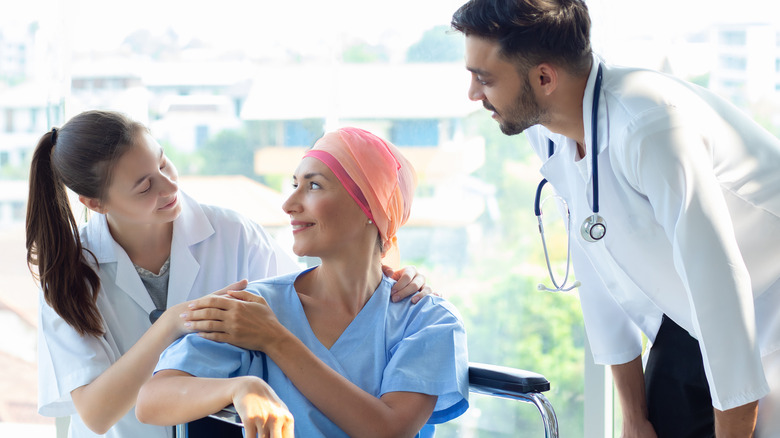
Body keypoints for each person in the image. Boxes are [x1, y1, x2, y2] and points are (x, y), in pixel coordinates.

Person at [450, 0, 780, 437]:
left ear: (544, 77)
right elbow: (597, 262)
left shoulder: (650, 127)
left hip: (762, 298)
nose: (473, 94)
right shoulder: (546, 129)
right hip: (690, 315)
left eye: (484, 78)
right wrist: (632, 416)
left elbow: (720, 285)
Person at [26, 110, 430, 438]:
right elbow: (96, 415)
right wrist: (171, 323)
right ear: (95, 203)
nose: (169, 187)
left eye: (164, 162)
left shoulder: (233, 234)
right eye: (145, 186)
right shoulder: (67, 274)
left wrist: (386, 275)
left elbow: (310, 303)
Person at [136, 127, 470, 438]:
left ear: (371, 206)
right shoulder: (256, 307)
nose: (289, 204)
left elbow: (389, 431)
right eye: (294, 184)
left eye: (314, 186)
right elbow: (152, 401)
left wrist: (275, 340)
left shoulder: (428, 320)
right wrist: (241, 388)